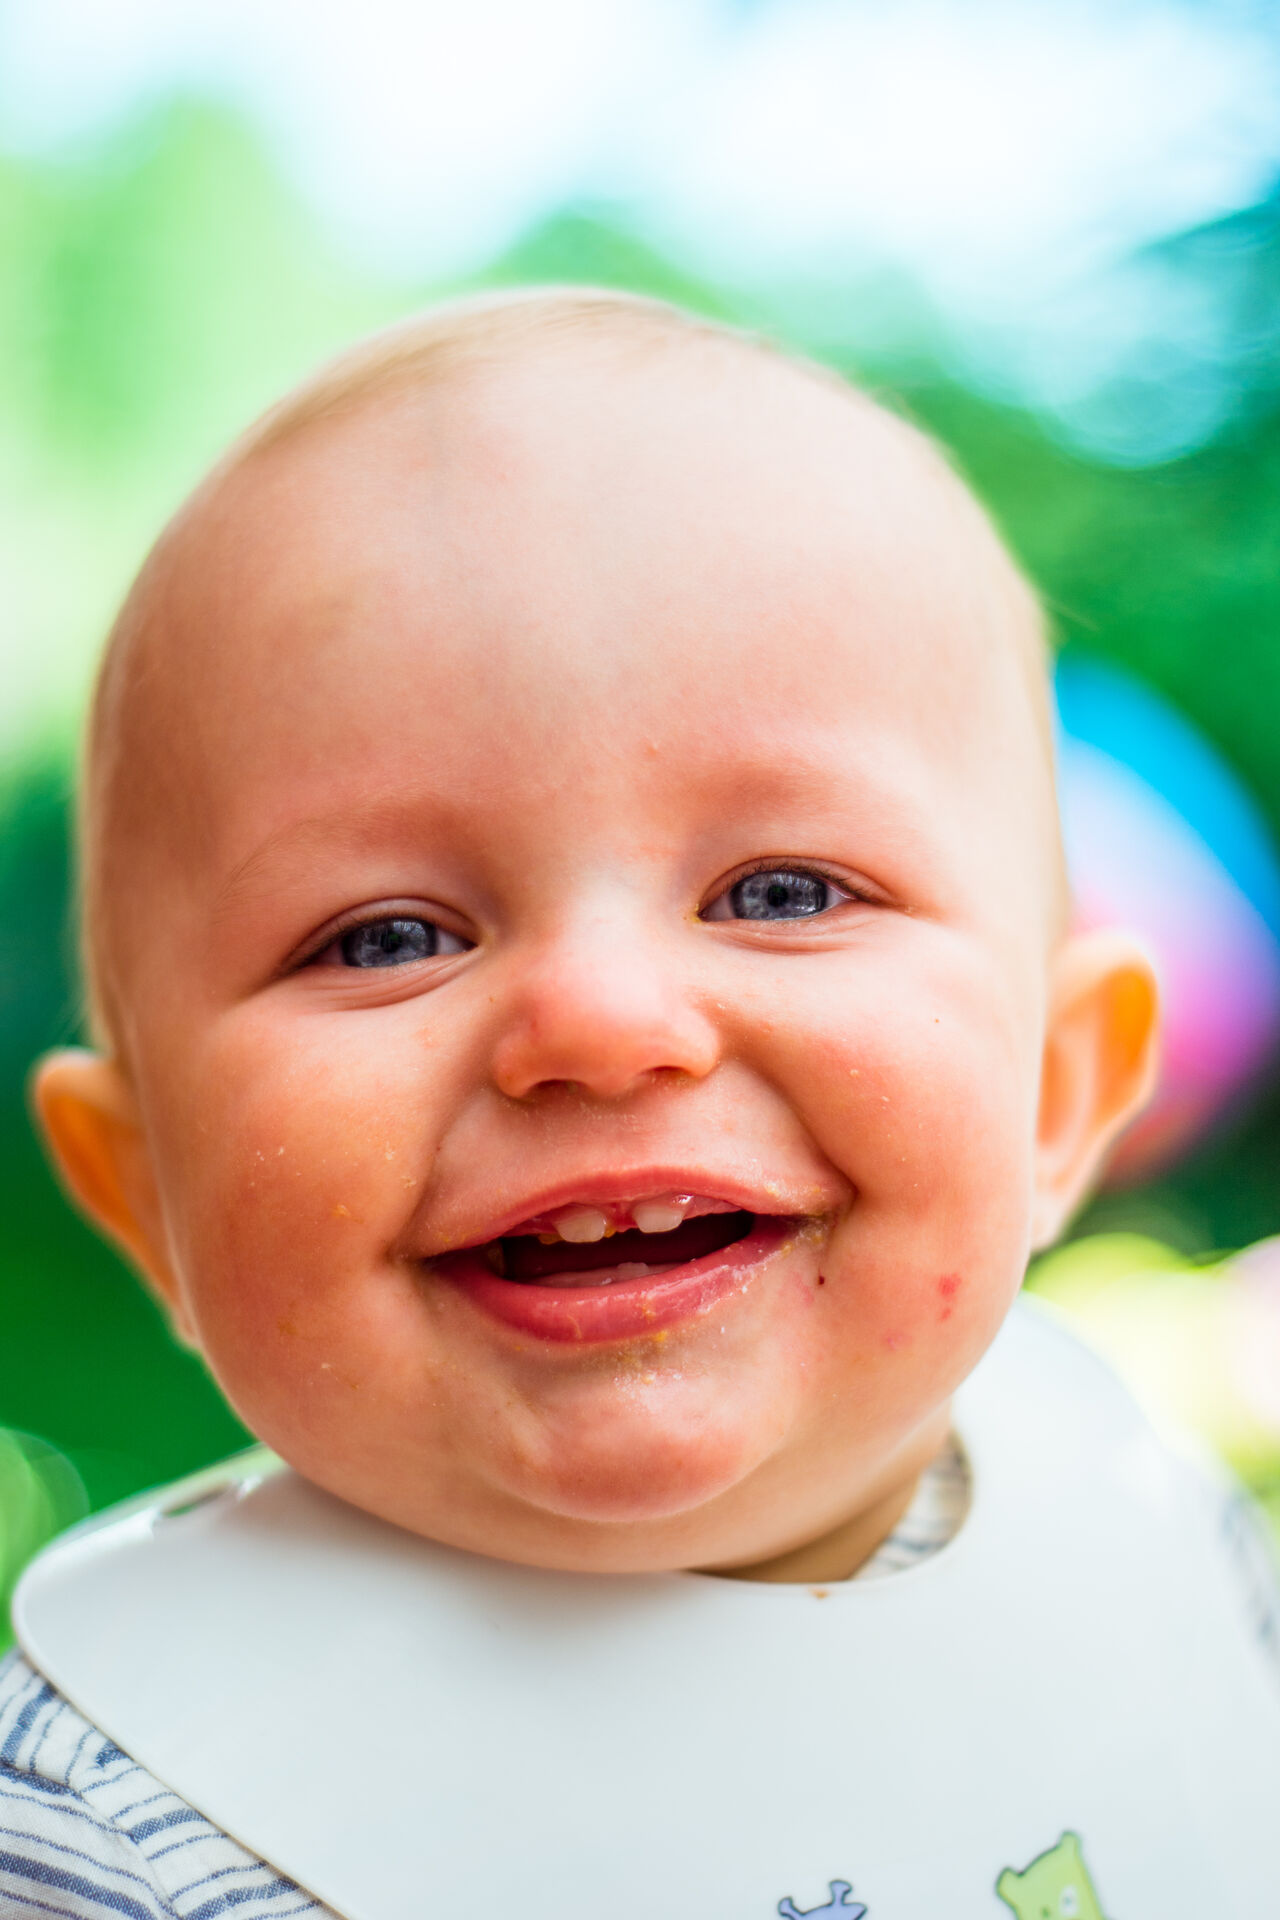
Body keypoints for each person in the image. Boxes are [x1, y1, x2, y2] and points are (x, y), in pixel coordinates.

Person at [3, 288, 1277, 1919]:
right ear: (141, 1195)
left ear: (1057, 1090)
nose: (600, 1024)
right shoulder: (114, 1825)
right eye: (387, 937)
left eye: (785, 890)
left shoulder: (1143, 1519)